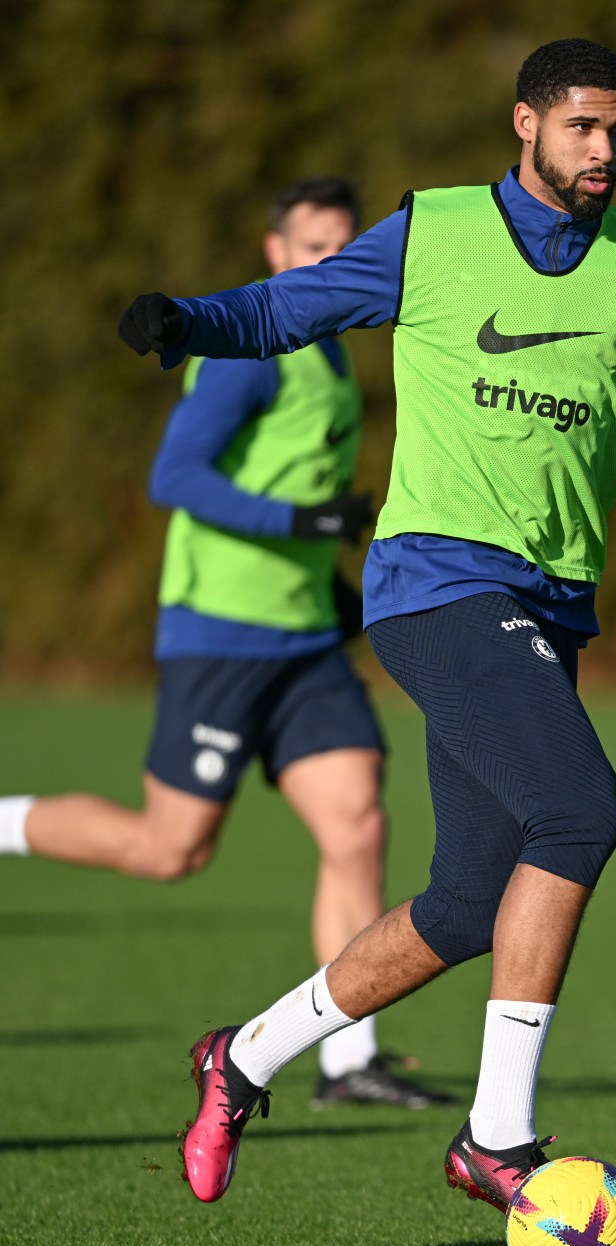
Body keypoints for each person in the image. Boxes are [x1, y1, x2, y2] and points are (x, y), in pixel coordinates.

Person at [116, 38, 616, 1210]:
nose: (604, 150)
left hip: (551, 604)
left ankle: (239, 1059)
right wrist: (188, 321)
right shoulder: (435, 232)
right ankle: (497, 1138)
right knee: (578, 811)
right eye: (582, 128)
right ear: (526, 125)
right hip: (435, 582)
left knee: (464, 901)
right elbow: (286, 307)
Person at [0, 177, 452, 1112]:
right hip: (221, 635)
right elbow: (177, 476)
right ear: (275, 252)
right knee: (172, 850)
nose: (331, 262)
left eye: (344, 245)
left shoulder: (332, 351)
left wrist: (326, 579)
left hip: (303, 643)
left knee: (357, 819)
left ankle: (347, 1059)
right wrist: (300, 516)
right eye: (312, 247)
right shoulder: (254, 355)